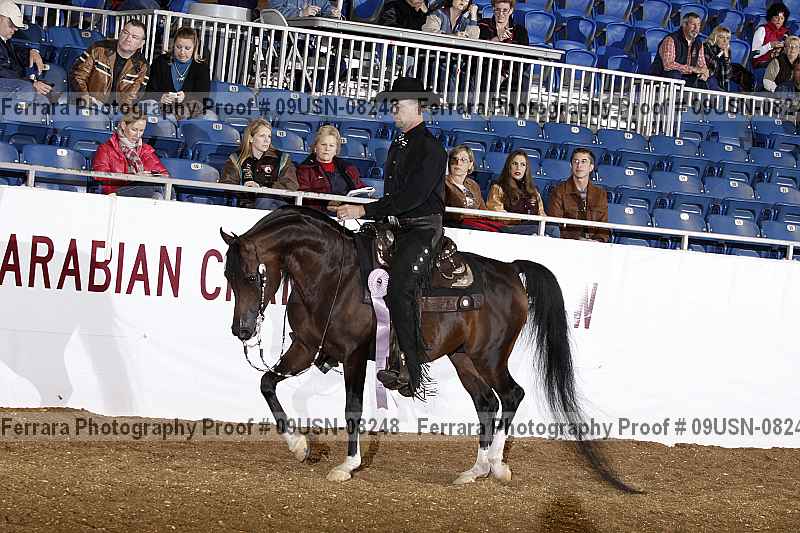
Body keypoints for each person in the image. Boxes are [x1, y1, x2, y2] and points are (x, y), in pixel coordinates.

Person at [335, 77, 447, 398]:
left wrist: (365, 210)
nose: (393, 109)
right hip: (396, 225)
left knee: (400, 289)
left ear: (417, 106)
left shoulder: (432, 149)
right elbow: (396, 195)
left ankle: (412, 367)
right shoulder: (400, 144)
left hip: (422, 229)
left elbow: (412, 197)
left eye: (398, 104)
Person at [219, 118, 298, 210]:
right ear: (251, 138)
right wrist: (245, 189)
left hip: (276, 203)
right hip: (248, 205)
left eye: (269, 136)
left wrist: (263, 188)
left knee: (265, 197)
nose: (267, 140)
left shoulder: (282, 158)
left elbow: (291, 185)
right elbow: (227, 184)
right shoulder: (236, 158)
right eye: (262, 136)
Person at [70, 20, 149, 108]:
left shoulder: (142, 66)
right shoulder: (98, 49)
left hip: (118, 109)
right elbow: (78, 75)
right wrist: (84, 95)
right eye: (126, 33)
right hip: (91, 104)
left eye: (134, 37)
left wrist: (122, 113)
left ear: (141, 44)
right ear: (120, 33)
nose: (128, 39)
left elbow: (133, 96)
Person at [92, 109, 169, 199]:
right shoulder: (106, 149)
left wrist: (150, 175)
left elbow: (164, 174)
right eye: (134, 130)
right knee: (150, 188)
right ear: (124, 125)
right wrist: (133, 177)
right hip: (116, 191)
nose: (138, 135)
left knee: (165, 188)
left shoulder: (145, 150)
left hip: (143, 190)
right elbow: (100, 175)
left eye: (141, 130)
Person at [144, 27, 210, 120]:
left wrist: (185, 97)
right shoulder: (160, 62)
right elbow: (148, 91)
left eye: (187, 48)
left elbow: (203, 97)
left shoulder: (201, 67)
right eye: (178, 47)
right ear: (173, 45)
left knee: (209, 116)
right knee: (150, 105)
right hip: (162, 107)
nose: (182, 52)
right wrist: (160, 97)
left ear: (194, 48)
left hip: (189, 110)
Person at [296, 125, 365, 211]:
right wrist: (326, 205)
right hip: (318, 214)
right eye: (323, 144)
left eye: (331, 145)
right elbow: (304, 198)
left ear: (336, 149)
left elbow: (360, 189)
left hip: (348, 212)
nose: (327, 149)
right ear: (315, 147)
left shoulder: (348, 168)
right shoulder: (305, 169)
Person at [486, 150, 555, 236]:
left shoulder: (534, 191)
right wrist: (520, 219)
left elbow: (541, 213)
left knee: (552, 227)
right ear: (509, 166)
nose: (518, 168)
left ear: (526, 168)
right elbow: (495, 213)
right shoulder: (498, 188)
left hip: (532, 226)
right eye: (514, 164)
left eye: (522, 164)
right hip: (509, 228)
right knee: (552, 230)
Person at [547, 148, 609, 243]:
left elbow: (604, 226)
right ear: (571, 165)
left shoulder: (600, 194)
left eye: (584, 162)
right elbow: (554, 225)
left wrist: (597, 241)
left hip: (595, 246)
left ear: (591, 167)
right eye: (576, 161)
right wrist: (578, 240)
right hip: (567, 244)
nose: (579, 165)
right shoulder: (559, 191)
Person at [444, 145, 502, 231]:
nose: (458, 163)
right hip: (457, 224)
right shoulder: (443, 183)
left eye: (463, 160)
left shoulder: (473, 185)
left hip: (476, 223)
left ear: (470, 165)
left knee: (506, 229)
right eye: (454, 159)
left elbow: (483, 210)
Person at [0, 0, 49, 97]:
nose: (15, 29)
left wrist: (31, 52)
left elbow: (15, 53)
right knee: (27, 89)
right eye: (11, 24)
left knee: (42, 97)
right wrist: (30, 82)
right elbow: (2, 71)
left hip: (10, 84)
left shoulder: (5, 41)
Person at [650, 12, 709, 89]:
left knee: (703, 81)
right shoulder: (671, 39)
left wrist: (704, 72)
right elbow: (668, 65)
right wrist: (692, 69)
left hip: (686, 77)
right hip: (663, 77)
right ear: (684, 25)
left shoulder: (698, 43)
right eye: (693, 25)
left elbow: (702, 65)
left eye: (698, 25)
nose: (696, 29)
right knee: (675, 74)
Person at [703, 25, 754, 92]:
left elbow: (727, 76)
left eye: (727, 38)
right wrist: (721, 54)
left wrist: (726, 57)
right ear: (715, 37)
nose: (725, 41)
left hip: (720, 80)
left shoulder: (727, 51)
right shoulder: (706, 47)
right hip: (708, 78)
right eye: (721, 37)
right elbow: (712, 67)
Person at [751, 2, 791, 70]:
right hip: (762, 64)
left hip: (778, 64)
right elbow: (754, 53)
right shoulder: (762, 30)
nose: (779, 20)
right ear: (770, 17)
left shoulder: (786, 32)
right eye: (776, 17)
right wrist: (769, 46)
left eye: (782, 18)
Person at [271, 0, 342, 18]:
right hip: (282, 39)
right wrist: (301, 13)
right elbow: (273, 12)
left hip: (309, 42)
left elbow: (327, 8)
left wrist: (332, 13)